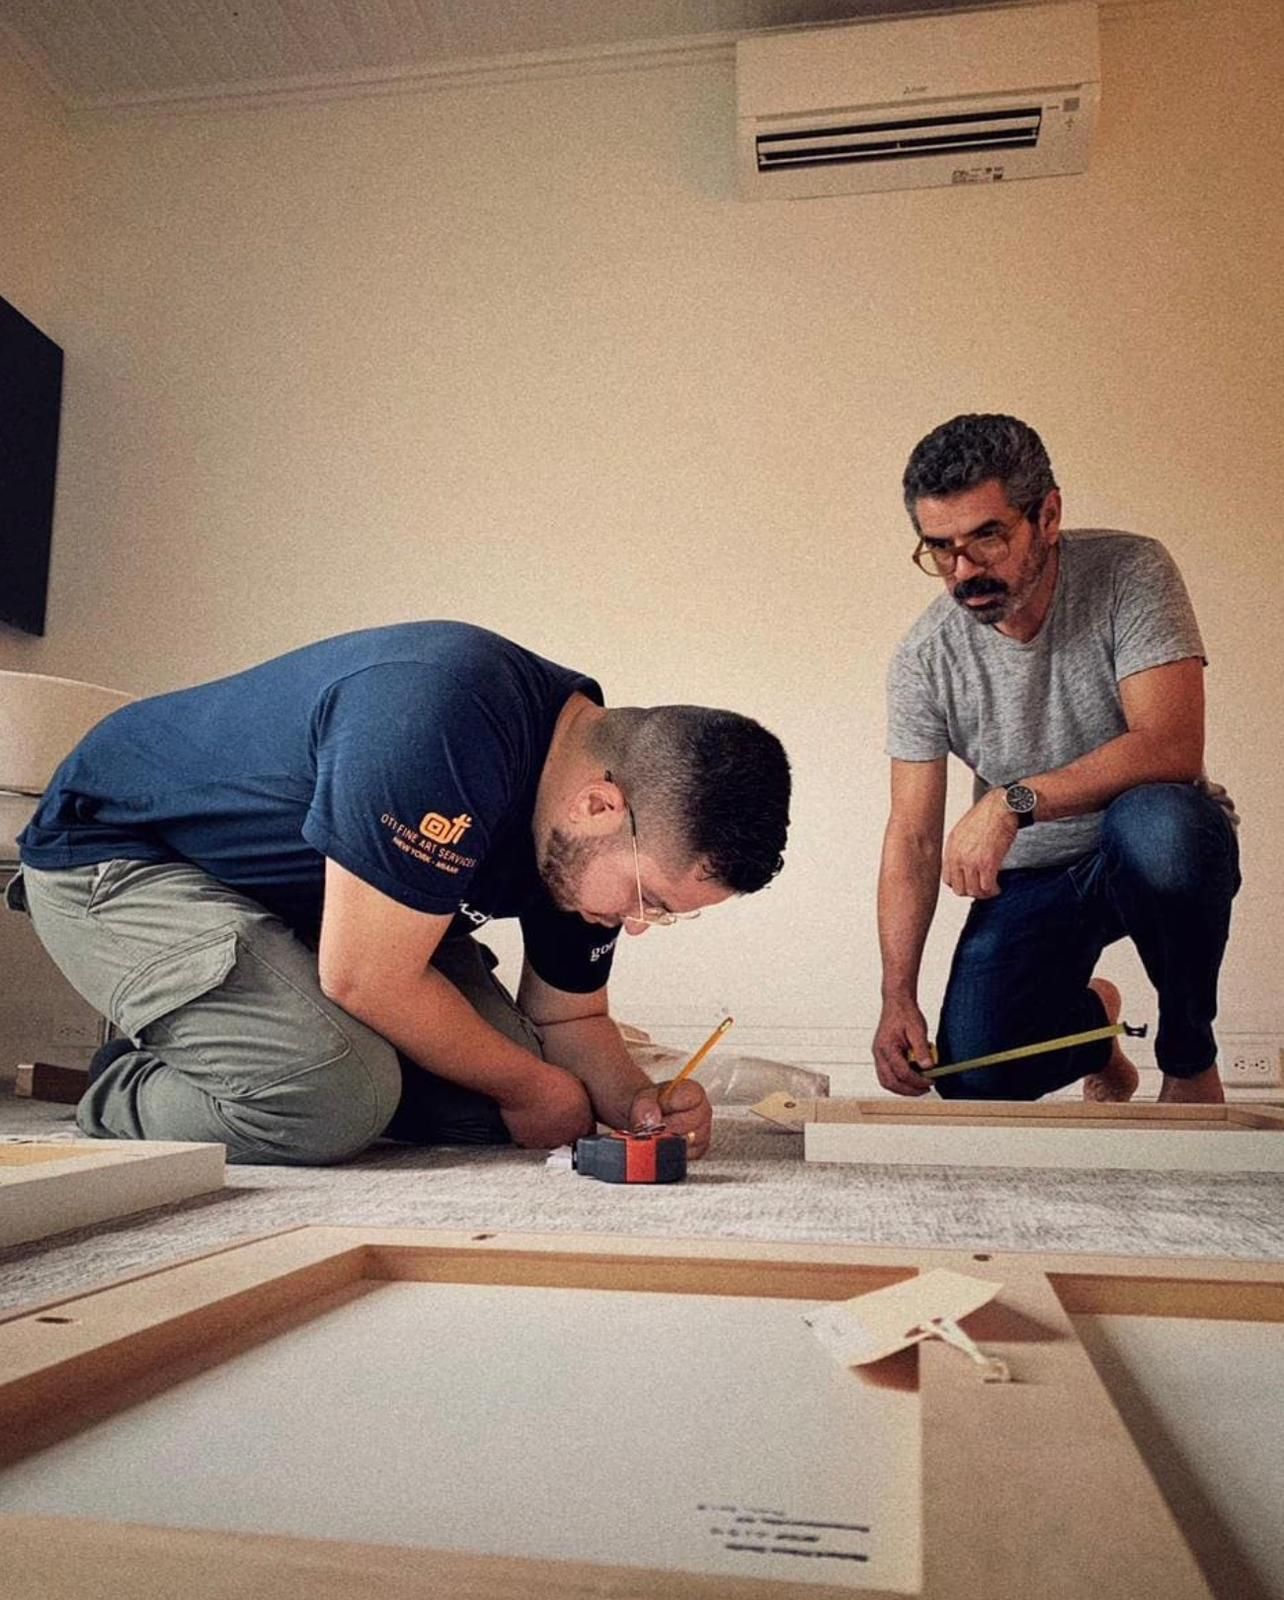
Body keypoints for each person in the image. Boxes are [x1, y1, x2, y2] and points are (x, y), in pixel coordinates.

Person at [14, 621, 790, 1165]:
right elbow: (366, 977)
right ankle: (123, 1084)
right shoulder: (440, 719)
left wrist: (634, 1102)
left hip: (325, 913)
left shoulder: (587, 832)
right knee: (333, 1096)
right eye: (650, 900)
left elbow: (571, 1017)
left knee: (516, 1093)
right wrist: (533, 1086)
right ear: (599, 806)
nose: (639, 924)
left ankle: (265, 1047)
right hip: (126, 857)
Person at [873, 413, 1239, 1104]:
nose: (963, 571)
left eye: (987, 537)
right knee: (975, 1079)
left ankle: (1189, 1058)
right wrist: (898, 998)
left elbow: (1171, 745)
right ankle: (1095, 1029)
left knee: (1164, 828)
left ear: (1047, 516)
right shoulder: (924, 658)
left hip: (1150, 843)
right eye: (940, 548)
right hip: (1035, 875)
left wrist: (1013, 802)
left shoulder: (1131, 571)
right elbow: (913, 836)